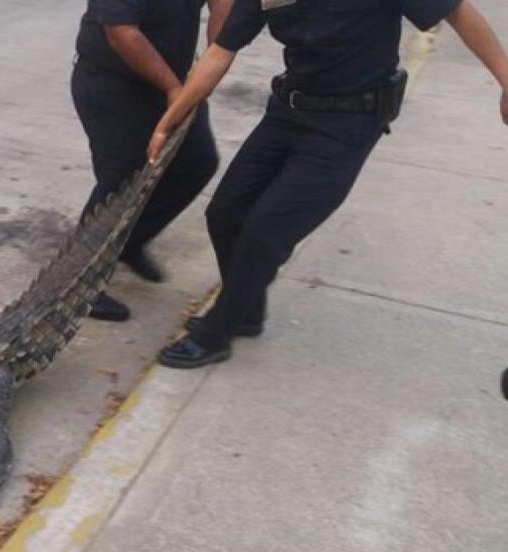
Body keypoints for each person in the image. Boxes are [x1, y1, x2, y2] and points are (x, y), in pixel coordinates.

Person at [147, 0, 508, 368]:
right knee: (224, 214)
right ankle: (246, 310)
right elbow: (221, 53)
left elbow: (457, 11)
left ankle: (216, 332)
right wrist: (168, 121)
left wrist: (506, 80)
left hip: (349, 122)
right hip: (288, 110)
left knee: (266, 230)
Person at [72, 0, 233, 322]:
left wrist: (210, 67)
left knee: (197, 163)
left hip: (172, 80)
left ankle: (129, 241)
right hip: (114, 83)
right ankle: (78, 286)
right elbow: (121, 31)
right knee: (118, 181)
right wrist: (174, 89)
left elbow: (223, 7)